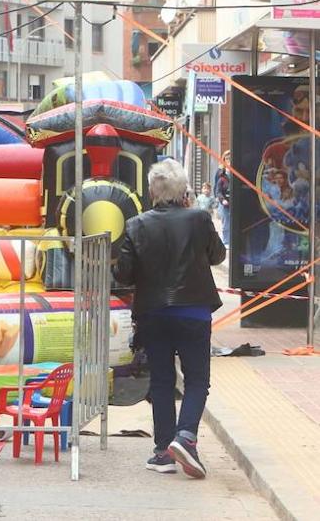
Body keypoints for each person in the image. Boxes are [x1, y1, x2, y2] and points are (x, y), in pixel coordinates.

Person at [114, 158, 225, 480]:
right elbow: (218, 256)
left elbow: (124, 272)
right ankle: (186, 437)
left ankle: (163, 452)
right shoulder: (199, 218)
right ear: (183, 190)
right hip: (193, 312)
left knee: (161, 381)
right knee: (197, 380)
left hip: (153, 313)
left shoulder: (137, 224)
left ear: (152, 191)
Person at [213, 153, 231, 246]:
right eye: (227, 159)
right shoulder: (221, 174)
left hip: (233, 202)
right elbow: (217, 188)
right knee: (226, 222)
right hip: (224, 201)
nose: (229, 161)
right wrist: (220, 198)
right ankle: (226, 241)